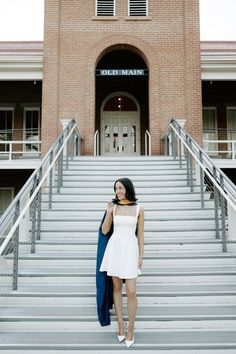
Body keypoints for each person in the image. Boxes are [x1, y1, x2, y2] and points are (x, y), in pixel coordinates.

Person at [99, 177, 144, 348]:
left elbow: (140, 235)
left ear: (127, 188)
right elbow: (104, 230)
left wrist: (141, 256)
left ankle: (131, 328)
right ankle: (120, 325)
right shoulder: (114, 207)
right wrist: (109, 212)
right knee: (117, 288)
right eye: (116, 188)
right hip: (115, 251)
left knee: (131, 291)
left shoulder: (139, 208)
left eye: (120, 188)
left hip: (130, 251)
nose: (118, 191)